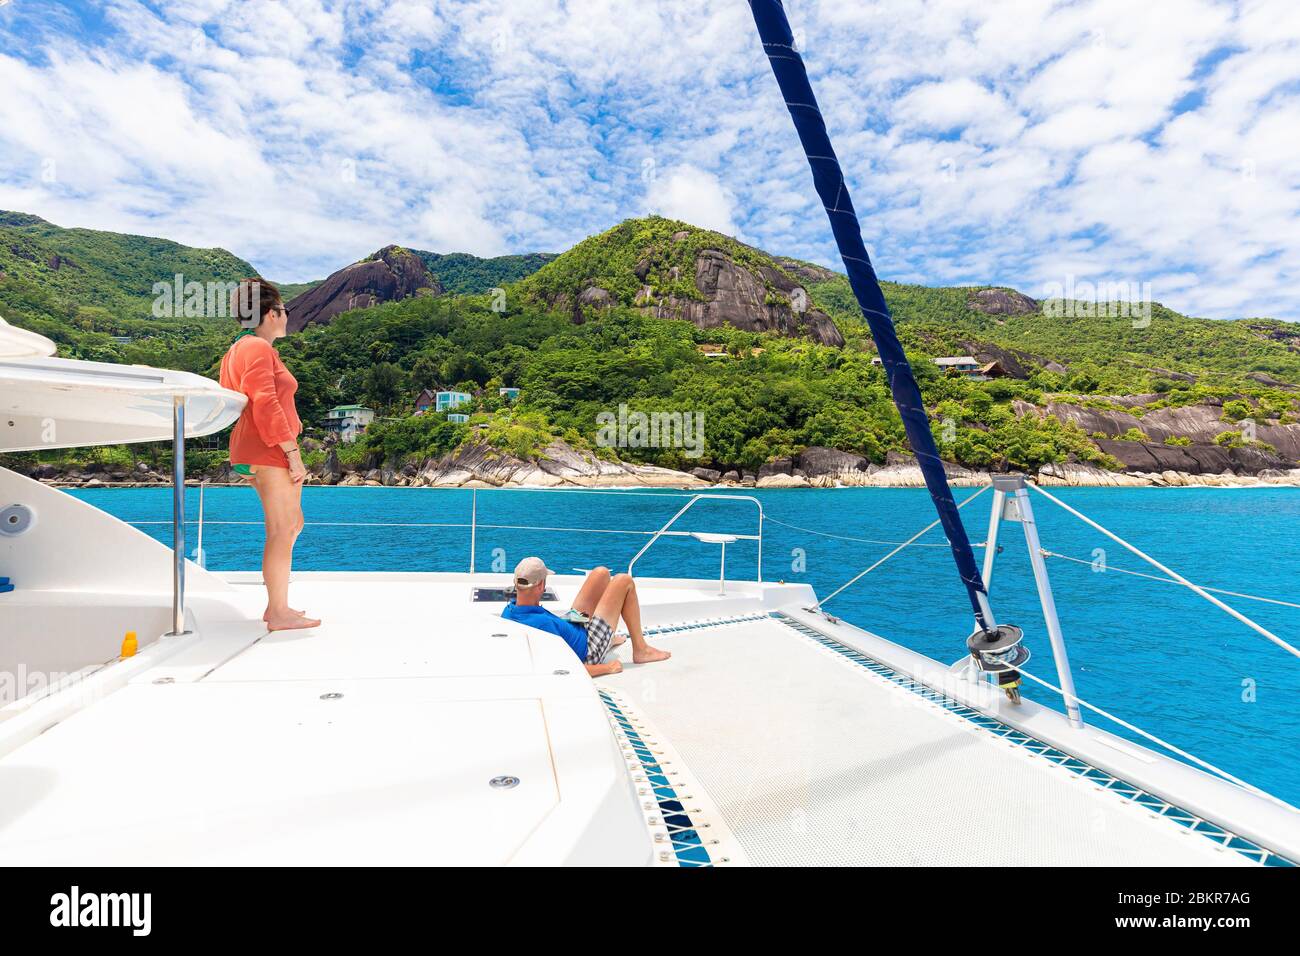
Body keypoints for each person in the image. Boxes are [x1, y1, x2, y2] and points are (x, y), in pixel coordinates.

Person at [218, 278, 319, 632]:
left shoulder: (238, 350)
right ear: (270, 313)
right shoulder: (258, 349)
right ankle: (278, 611)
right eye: (284, 311)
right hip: (269, 447)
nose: (287, 317)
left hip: (258, 447)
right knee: (283, 527)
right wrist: (292, 452)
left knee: (291, 525)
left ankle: (278, 606)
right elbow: (264, 402)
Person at [501, 557, 670, 676]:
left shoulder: (509, 610)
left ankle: (608, 639)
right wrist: (608, 668)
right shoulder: (542, 626)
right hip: (589, 647)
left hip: (573, 625)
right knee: (623, 581)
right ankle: (641, 650)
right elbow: (564, 668)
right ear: (540, 586)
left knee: (601, 573)